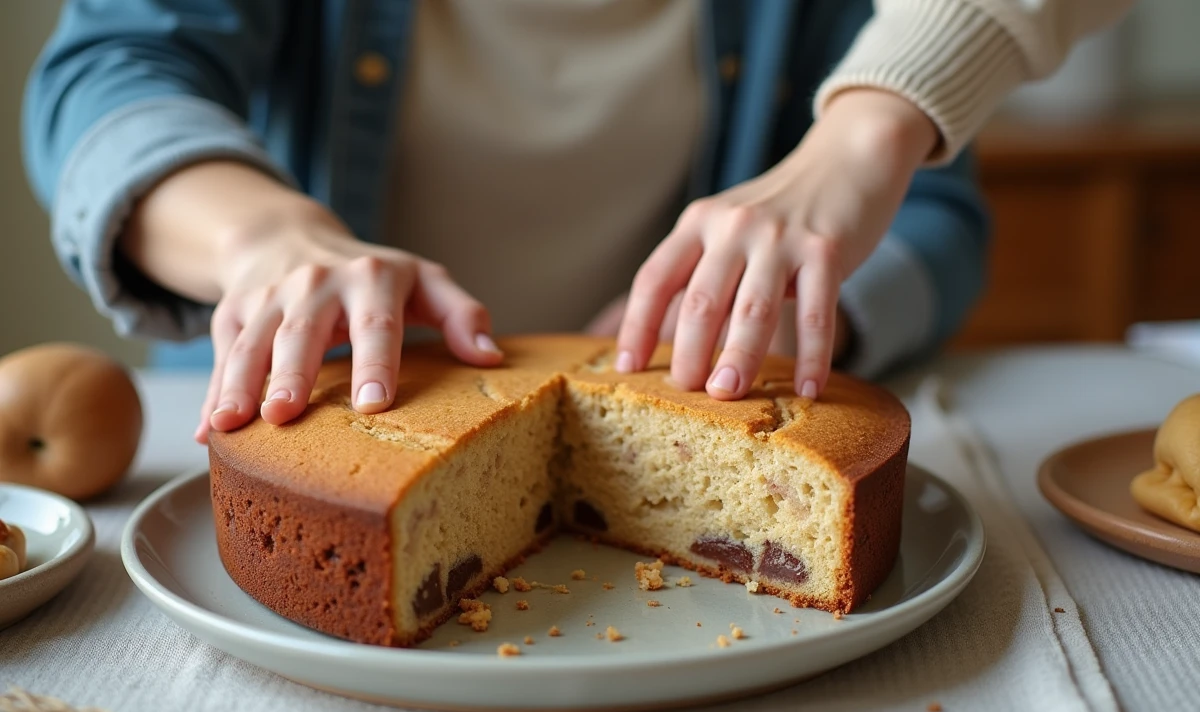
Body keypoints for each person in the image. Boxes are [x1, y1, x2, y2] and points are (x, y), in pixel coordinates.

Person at [22, 0, 1133, 445]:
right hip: (310, 415)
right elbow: (106, 73)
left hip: (691, 404)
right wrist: (259, 237)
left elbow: (937, 213)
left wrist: (804, 311)